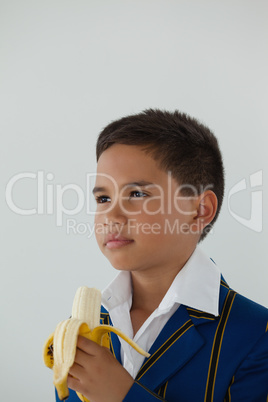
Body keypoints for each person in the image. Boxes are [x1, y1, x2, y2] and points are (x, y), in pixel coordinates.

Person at [59, 109, 268, 401]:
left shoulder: (257, 333)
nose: (112, 216)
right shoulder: (85, 324)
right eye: (103, 198)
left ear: (199, 210)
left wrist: (123, 395)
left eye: (137, 195)